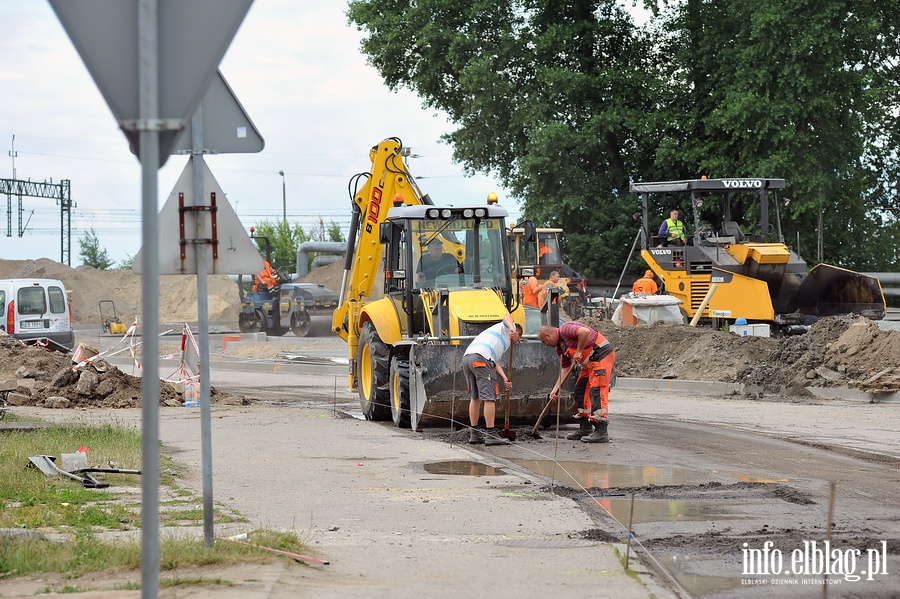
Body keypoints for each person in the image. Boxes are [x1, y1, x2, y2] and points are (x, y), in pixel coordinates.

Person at [538, 322, 616, 443]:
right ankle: (585, 427)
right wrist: (555, 390)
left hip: (600, 355)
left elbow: (584, 332)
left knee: (597, 391)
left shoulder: (565, 329)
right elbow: (565, 370)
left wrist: (579, 351)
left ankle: (601, 431)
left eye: (544, 342)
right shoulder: (561, 348)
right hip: (589, 363)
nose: (545, 345)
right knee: (580, 391)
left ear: (548, 336)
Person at [463, 313, 522, 445]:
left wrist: (505, 378)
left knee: (475, 397)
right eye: (518, 338)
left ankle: (475, 434)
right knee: (489, 397)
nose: (516, 341)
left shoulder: (499, 342)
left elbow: (495, 363)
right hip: (481, 358)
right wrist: (512, 328)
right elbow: (507, 315)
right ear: (517, 333)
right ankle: (490, 434)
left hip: (468, 358)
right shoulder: (506, 329)